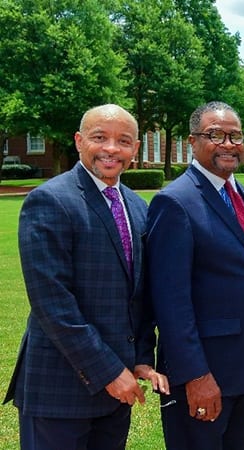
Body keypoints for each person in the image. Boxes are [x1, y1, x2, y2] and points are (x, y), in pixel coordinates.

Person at [4, 104, 168, 450]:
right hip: (60, 389)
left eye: (123, 141)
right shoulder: (49, 200)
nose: (111, 148)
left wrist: (141, 357)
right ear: (79, 141)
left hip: (117, 394)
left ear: (135, 149)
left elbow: (140, 295)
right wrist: (108, 371)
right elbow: (52, 303)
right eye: (99, 137)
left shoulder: (138, 207)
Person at [146, 101, 244, 450]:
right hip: (205, 374)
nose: (228, 144)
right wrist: (195, 376)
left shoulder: (236, 192)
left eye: (235, 136)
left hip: (241, 369)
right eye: (215, 135)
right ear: (192, 141)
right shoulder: (175, 202)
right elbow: (170, 302)